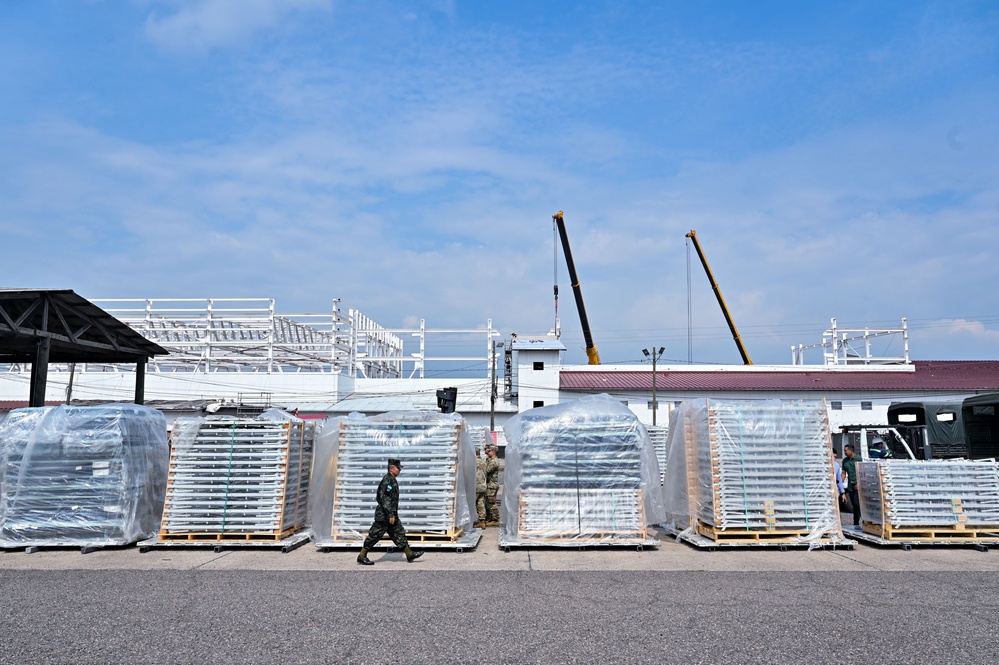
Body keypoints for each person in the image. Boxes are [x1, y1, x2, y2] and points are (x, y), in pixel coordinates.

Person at [357, 458, 424, 565]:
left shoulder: (392, 480)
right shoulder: (387, 481)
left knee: (399, 533)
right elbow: (384, 499)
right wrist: (390, 514)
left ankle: (409, 554)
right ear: (391, 468)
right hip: (384, 516)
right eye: (398, 468)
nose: (400, 470)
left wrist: (393, 514)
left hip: (391, 514)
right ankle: (362, 556)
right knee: (374, 535)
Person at [841, 443, 862, 527]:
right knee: (853, 504)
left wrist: (859, 483)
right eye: (844, 451)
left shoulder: (858, 459)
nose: (845, 452)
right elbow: (843, 473)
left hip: (858, 485)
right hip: (850, 486)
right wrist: (840, 483)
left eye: (846, 451)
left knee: (857, 504)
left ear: (851, 450)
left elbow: (862, 472)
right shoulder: (845, 461)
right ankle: (855, 522)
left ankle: (858, 521)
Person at [484, 444, 501, 526]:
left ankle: (495, 519)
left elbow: (486, 470)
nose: (487, 452)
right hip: (490, 485)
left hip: (492, 485)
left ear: (493, 452)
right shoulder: (490, 460)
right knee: (487, 502)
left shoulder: (494, 461)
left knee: (491, 502)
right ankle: (490, 518)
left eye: (489, 451)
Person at [474, 448, 487, 529]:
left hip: (476, 485)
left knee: (473, 502)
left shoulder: (473, 462)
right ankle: (482, 521)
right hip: (483, 485)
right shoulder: (484, 462)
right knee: (481, 502)